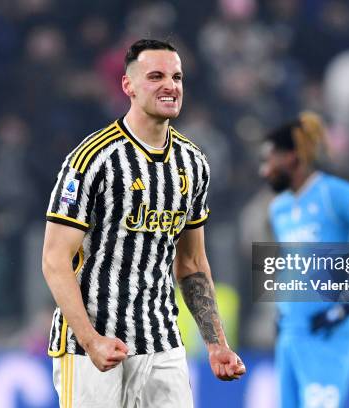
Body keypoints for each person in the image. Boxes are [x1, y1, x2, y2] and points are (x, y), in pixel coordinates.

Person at [42, 39, 245, 408]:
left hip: (162, 342)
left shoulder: (193, 163)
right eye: (156, 76)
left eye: (177, 77)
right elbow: (55, 259)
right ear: (128, 86)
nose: (170, 85)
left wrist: (217, 344)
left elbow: (192, 264)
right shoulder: (91, 160)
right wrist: (90, 339)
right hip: (92, 347)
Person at [260, 111, 349, 408]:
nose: (264, 170)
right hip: (289, 334)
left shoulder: (333, 194)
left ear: (291, 158)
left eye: (269, 159)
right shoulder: (279, 208)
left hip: (326, 332)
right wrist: (281, 309)